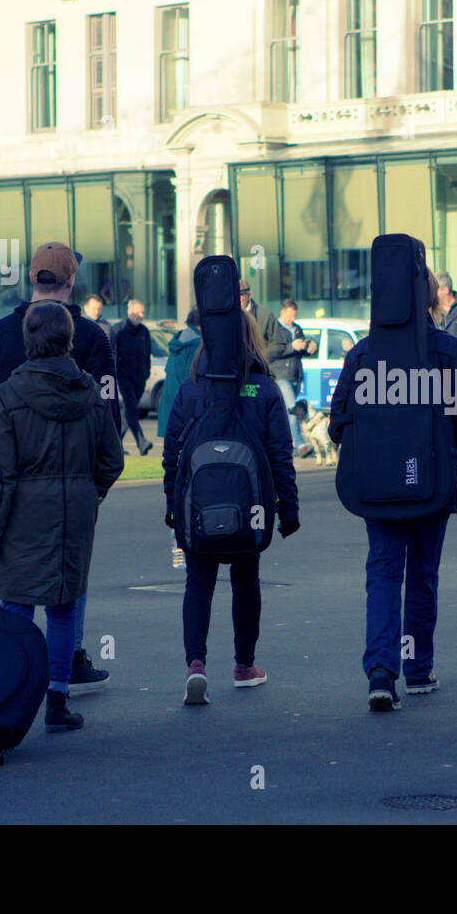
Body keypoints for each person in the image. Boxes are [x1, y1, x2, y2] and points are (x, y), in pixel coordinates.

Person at [0, 241, 121, 695]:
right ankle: (63, 674)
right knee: (68, 588)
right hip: (75, 486)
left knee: (15, 590)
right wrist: (96, 486)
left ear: (32, 278)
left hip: (11, 485)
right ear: (71, 282)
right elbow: (110, 417)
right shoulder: (92, 338)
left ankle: (13, 682)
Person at [328, 267, 457, 712]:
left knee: (382, 571)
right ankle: (417, 668)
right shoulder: (450, 352)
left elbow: (339, 423)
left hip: (378, 484)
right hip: (431, 479)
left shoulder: (361, 355)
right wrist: (444, 452)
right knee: (422, 574)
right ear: (432, 298)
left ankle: (381, 669)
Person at [162, 308, 299, 704]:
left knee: (198, 583)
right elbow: (280, 457)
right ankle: (244, 665)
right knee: (246, 579)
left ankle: (195, 665)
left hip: (197, 511)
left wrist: (173, 507)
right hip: (250, 511)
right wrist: (288, 512)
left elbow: (172, 455)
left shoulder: (191, 389)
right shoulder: (265, 389)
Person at [269, 298, 317, 455]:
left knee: (283, 412)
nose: (293, 319)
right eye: (290, 315)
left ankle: (282, 443)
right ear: (283, 312)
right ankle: (300, 444)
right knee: (292, 410)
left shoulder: (297, 328)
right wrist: (291, 347)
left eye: (294, 316)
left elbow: (300, 351)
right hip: (280, 375)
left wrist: (309, 348)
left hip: (295, 375)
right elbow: (270, 352)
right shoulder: (274, 328)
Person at [114, 299, 154, 455]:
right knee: (131, 409)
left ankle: (114, 446)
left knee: (128, 413)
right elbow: (114, 353)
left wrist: (146, 372)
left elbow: (147, 355)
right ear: (130, 312)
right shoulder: (118, 330)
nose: (141, 315)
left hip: (140, 379)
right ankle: (141, 442)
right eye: (138, 312)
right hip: (124, 378)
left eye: (143, 312)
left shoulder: (144, 331)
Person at [157, 308, 200, 439]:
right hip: (186, 411)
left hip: (171, 408)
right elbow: (193, 382)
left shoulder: (180, 338)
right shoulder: (197, 344)